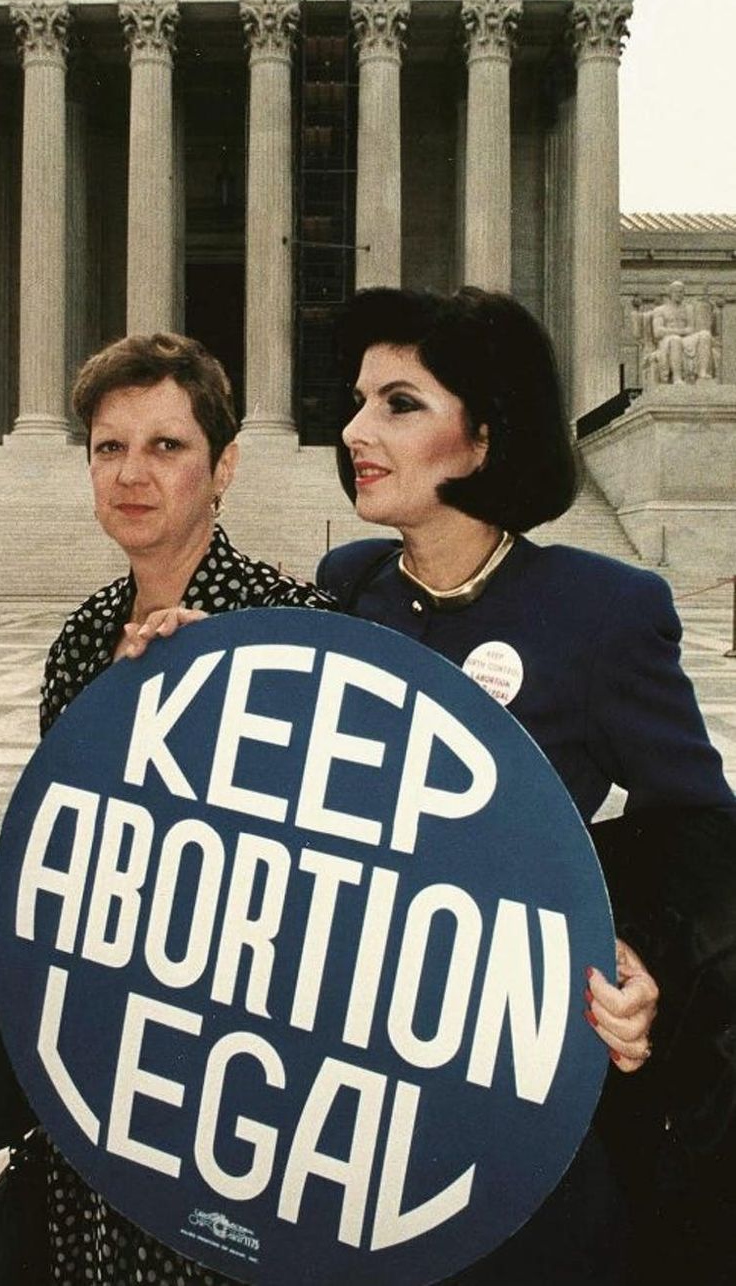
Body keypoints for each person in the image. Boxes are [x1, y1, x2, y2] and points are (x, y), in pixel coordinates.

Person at [316, 285, 736, 1283]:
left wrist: (642, 949)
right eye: (358, 399)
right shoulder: (342, 588)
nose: (352, 430)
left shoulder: (601, 610)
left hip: (501, 1075)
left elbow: (700, 825)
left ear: (482, 437)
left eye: (398, 404)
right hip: (341, 1067)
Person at [38, 330, 334, 1283]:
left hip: (239, 1101)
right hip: (104, 1083)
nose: (132, 474)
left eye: (166, 447)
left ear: (224, 466)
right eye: (109, 448)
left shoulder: (298, 634)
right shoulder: (83, 640)